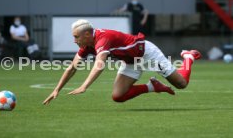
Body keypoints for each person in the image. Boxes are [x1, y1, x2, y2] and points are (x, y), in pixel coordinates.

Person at [43, 19, 201, 105]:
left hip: (147, 54)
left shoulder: (103, 38)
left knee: (181, 84)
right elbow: (72, 68)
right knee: (118, 96)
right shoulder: (87, 45)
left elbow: (99, 65)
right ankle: (152, 86)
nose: (74, 40)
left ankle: (188, 57)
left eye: (76, 37)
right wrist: (57, 89)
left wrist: (84, 86)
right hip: (130, 61)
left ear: (87, 34)